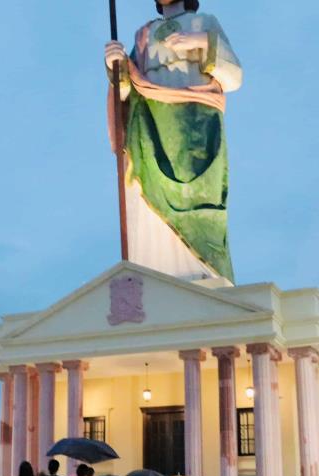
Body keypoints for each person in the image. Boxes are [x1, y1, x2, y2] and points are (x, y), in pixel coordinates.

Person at [103, 0, 243, 283]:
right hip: (153, 124)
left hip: (197, 124)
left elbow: (234, 77)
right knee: (149, 196)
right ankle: (159, 274)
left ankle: (205, 271)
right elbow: (127, 91)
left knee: (201, 203)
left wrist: (203, 42)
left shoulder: (204, 22)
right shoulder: (144, 35)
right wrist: (116, 65)